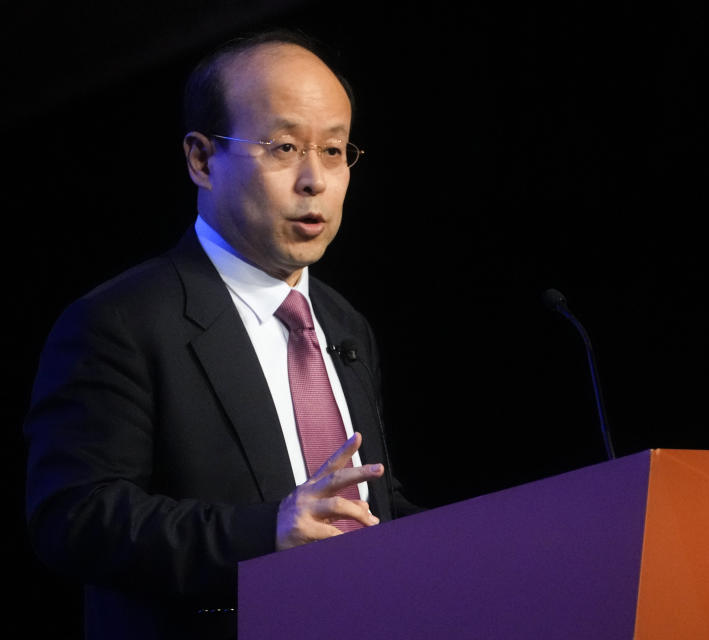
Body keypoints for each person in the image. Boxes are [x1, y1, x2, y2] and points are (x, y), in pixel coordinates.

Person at [23, 29, 417, 639]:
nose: (314, 179)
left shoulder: (343, 323)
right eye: (284, 147)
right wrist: (268, 534)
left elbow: (370, 506)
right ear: (202, 159)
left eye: (334, 151)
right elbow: (73, 519)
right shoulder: (119, 321)